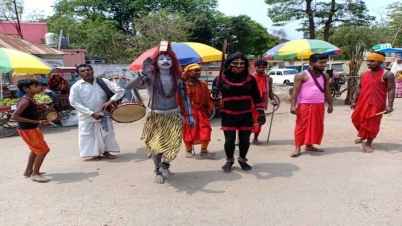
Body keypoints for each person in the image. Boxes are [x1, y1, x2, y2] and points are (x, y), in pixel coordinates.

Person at [125, 41, 195, 184]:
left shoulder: (178, 79)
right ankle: (157, 170)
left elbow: (185, 98)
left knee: (173, 144)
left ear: (173, 62)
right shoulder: (149, 77)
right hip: (156, 116)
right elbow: (128, 87)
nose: (165, 61)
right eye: (161, 59)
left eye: (168, 59)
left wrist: (190, 115)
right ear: (156, 62)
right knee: (157, 146)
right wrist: (142, 73)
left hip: (173, 115)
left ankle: (165, 165)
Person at [212, 52, 266, 172]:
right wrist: (215, 93)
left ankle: (242, 159)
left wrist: (261, 113)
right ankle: (229, 160)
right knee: (230, 140)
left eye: (242, 63)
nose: (239, 66)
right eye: (235, 63)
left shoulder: (250, 79)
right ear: (229, 64)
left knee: (245, 139)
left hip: (246, 114)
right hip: (228, 114)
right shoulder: (220, 79)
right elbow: (214, 101)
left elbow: (257, 97)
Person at [69, 64, 125, 160]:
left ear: (92, 71)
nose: (86, 72)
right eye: (83, 71)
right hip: (87, 116)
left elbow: (120, 90)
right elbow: (74, 102)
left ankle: (106, 152)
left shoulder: (103, 82)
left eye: (88, 70)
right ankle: (94, 154)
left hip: (104, 114)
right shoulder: (76, 87)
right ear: (78, 74)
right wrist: (91, 113)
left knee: (107, 134)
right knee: (88, 136)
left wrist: (110, 101)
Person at [290, 53, 333, 157]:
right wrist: (293, 106)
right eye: (321, 63)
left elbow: (326, 90)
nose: (324, 65)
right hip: (304, 105)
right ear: (312, 63)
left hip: (319, 105)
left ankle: (309, 145)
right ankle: (297, 147)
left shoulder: (325, 76)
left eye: (325, 63)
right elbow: (295, 91)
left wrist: (330, 104)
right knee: (301, 126)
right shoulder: (301, 75)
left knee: (316, 126)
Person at [351, 52, 395, 153]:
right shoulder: (364, 74)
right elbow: (359, 88)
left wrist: (390, 105)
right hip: (362, 102)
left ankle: (368, 144)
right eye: (368, 61)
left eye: (372, 61)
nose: (369, 63)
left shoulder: (387, 74)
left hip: (376, 103)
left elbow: (391, 90)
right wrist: (355, 101)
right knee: (356, 119)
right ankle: (363, 135)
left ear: (380, 62)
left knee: (372, 124)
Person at [11, 79, 51, 182]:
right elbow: (14, 117)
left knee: (35, 150)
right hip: (28, 130)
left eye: (39, 85)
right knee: (43, 150)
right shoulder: (25, 101)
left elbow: (30, 114)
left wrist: (44, 110)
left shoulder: (32, 99)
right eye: (35, 86)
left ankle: (29, 171)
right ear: (26, 89)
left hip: (32, 129)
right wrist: (39, 122)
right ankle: (35, 173)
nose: (39, 87)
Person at [182, 63, 215, 158]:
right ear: (188, 72)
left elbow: (208, 98)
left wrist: (209, 108)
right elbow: (179, 100)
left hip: (201, 111)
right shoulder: (183, 86)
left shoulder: (203, 84)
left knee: (206, 129)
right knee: (188, 131)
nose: (198, 72)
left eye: (199, 70)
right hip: (188, 112)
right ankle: (188, 150)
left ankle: (204, 150)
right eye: (195, 70)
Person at [251, 59, 278, 145]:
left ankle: (255, 138)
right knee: (244, 121)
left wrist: (273, 99)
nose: (261, 69)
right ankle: (240, 139)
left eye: (263, 67)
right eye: (259, 67)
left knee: (259, 120)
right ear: (255, 67)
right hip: (249, 103)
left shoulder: (268, 79)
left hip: (260, 104)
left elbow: (270, 91)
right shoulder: (250, 77)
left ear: (266, 68)